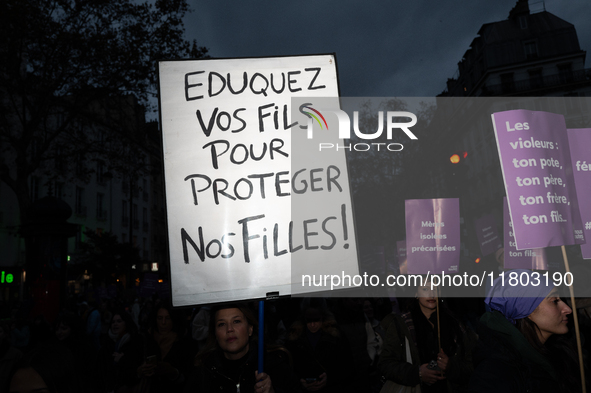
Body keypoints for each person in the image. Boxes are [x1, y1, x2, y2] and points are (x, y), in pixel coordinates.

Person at [469, 268, 580, 392]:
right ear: (526, 310)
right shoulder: (496, 372)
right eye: (554, 301)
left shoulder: (562, 353)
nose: (568, 309)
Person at [378, 281, 474, 393]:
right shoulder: (402, 324)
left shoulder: (455, 324)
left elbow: (470, 367)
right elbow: (385, 364)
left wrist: (450, 367)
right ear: (416, 294)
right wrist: (417, 373)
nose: (432, 294)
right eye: (425, 289)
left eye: (436, 289)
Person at [183, 303, 299, 393]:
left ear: (250, 329)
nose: (229, 329)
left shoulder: (274, 366)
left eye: (236, 321)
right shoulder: (203, 374)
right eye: (221, 324)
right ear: (215, 334)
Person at [286, 302, 352, 393]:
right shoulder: (294, 337)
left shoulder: (335, 335)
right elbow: (289, 369)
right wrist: (299, 381)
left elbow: (347, 364)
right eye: (309, 320)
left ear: (322, 317)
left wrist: (330, 378)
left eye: (316, 320)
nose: (313, 324)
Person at [136, 305, 198, 392]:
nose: (163, 322)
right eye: (160, 318)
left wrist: (173, 372)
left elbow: (191, 377)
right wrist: (141, 371)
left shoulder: (185, 342)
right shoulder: (145, 339)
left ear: (174, 319)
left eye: (168, 318)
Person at [95, 310, 144, 393]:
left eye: (119, 321)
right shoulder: (106, 344)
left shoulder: (135, 342)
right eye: (113, 322)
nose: (115, 324)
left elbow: (136, 368)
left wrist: (123, 360)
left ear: (126, 323)